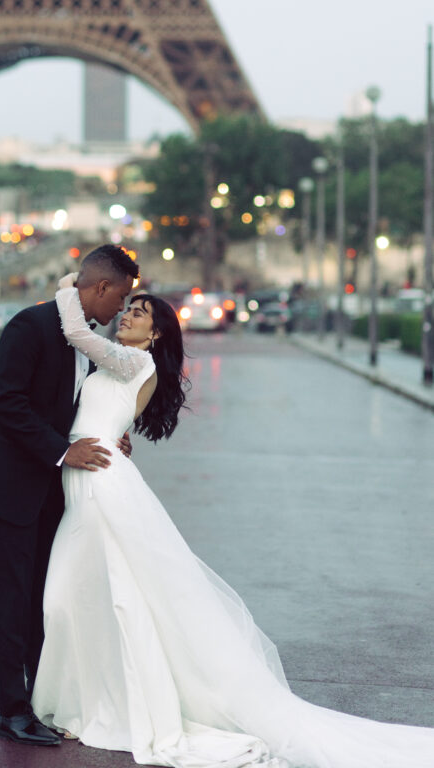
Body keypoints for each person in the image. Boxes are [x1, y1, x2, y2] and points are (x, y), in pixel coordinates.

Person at [32, 278, 434, 768]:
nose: (128, 315)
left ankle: (119, 703)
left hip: (101, 483)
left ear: (155, 336)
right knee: (80, 598)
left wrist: (65, 287)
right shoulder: (115, 361)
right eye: (129, 308)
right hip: (89, 473)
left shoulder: (134, 361)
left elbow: (75, 330)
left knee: (97, 596)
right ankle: (92, 698)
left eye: (140, 313)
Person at [0, 244, 139, 747]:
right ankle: (11, 713)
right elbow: (7, 405)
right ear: (99, 288)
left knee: (43, 597)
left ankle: (39, 704)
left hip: (50, 489)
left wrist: (106, 437)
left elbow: (75, 408)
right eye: (120, 298)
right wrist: (65, 451)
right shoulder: (30, 325)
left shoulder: (84, 340)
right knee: (12, 599)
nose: (121, 311)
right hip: (10, 486)